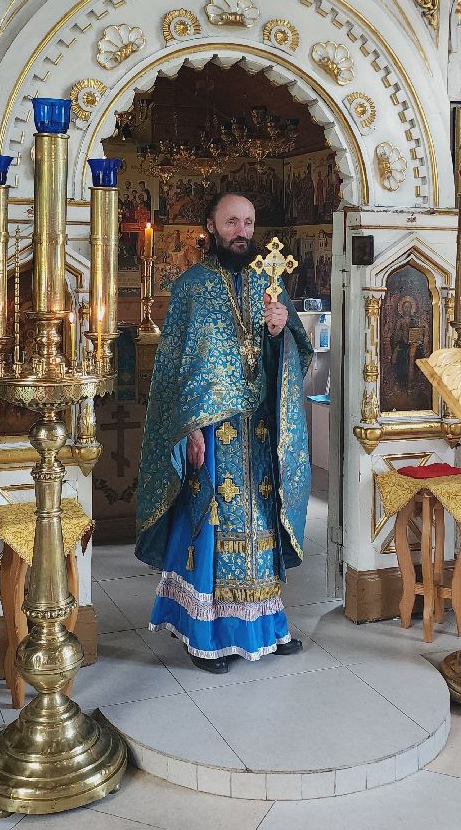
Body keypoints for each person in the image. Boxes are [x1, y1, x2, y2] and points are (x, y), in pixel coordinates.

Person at [136, 192, 313, 673]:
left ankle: (267, 625)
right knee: (213, 529)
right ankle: (205, 635)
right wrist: (188, 429)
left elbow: (296, 356)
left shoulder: (269, 285)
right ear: (211, 226)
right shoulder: (191, 287)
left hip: (260, 431)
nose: (242, 231)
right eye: (232, 222)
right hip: (213, 434)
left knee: (262, 525)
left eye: (248, 222)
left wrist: (279, 333)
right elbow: (174, 370)